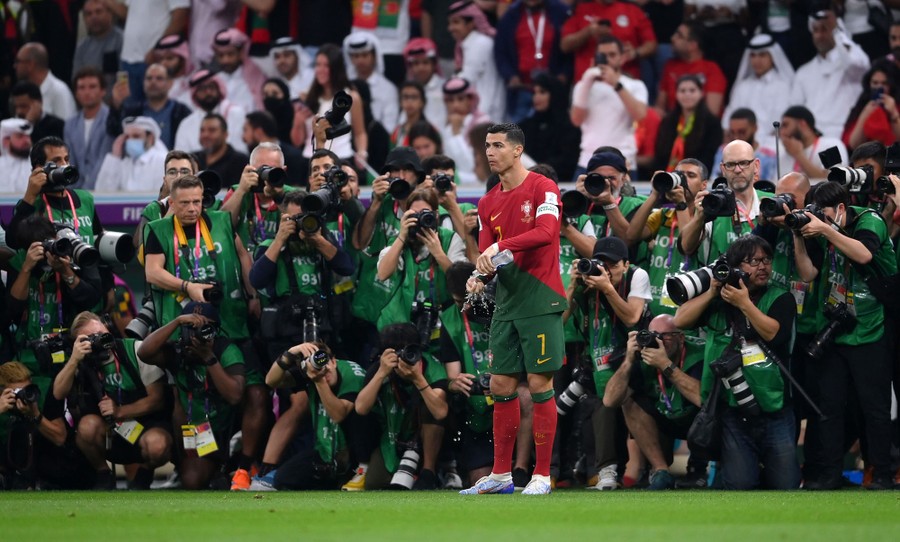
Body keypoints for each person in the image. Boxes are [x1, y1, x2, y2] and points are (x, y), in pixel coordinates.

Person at [460, 123, 564, 496]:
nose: (490, 152)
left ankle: (541, 475)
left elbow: (547, 233)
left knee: (539, 384)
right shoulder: (486, 202)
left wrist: (495, 252)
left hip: (540, 297)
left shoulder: (543, 187)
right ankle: (501, 474)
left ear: (518, 150)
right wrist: (479, 277)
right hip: (507, 301)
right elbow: (489, 257)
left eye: (498, 145)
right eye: (487, 145)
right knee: (501, 384)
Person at [791, 181, 898, 490]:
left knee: (874, 408)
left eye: (823, 214)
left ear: (840, 209)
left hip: (871, 326)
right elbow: (808, 274)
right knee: (830, 406)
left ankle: (881, 475)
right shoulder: (823, 228)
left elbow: (863, 255)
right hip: (836, 329)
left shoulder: (869, 220)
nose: (818, 220)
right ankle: (827, 474)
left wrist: (826, 230)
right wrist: (798, 237)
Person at [674, 234, 800, 490]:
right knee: (740, 486)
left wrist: (744, 304)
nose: (763, 267)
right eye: (754, 261)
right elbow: (680, 320)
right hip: (732, 410)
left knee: (786, 487)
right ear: (736, 267)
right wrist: (711, 292)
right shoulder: (720, 300)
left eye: (767, 260)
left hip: (774, 408)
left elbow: (774, 333)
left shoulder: (780, 297)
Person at [564, 236, 651, 490]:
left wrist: (607, 289)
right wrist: (571, 286)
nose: (605, 270)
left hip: (638, 354)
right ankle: (606, 470)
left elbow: (633, 318)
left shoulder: (637, 276)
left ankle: (646, 469)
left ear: (625, 264)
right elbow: (558, 323)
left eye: (612, 265)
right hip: (598, 356)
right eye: (600, 264)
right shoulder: (586, 281)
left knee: (624, 404)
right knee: (600, 406)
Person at [51, 312, 171, 490]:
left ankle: (144, 473)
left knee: (158, 445)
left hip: (146, 426)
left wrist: (120, 411)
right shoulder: (81, 361)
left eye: (102, 333)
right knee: (86, 427)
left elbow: (158, 399)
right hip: (109, 432)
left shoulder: (136, 350)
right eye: (91, 338)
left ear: (109, 328)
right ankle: (103, 473)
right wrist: (74, 359)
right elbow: (58, 393)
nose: (100, 340)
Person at [137, 302, 245, 490]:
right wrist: (177, 322)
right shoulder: (179, 350)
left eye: (205, 327)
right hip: (192, 432)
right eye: (191, 327)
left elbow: (234, 395)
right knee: (191, 481)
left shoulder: (225, 350)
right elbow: (144, 352)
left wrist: (209, 358)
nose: (197, 333)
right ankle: (200, 470)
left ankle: (226, 467)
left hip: (222, 430)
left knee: (195, 480)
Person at [603, 314, 703, 490]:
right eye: (653, 334)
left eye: (665, 335)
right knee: (629, 402)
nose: (659, 341)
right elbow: (610, 400)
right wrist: (628, 360)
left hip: (700, 423)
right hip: (666, 421)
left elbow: (703, 399)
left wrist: (665, 365)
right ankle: (660, 471)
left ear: (681, 338)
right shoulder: (643, 355)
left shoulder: (698, 354)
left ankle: (711, 468)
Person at [261, 341, 375, 491]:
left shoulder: (352, 374)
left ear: (334, 361)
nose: (324, 372)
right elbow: (271, 381)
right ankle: (333, 481)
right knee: (284, 479)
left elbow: (338, 414)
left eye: (327, 366)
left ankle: (360, 470)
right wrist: (290, 354)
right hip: (327, 450)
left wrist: (319, 380)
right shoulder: (310, 373)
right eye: (318, 368)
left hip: (359, 447)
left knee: (359, 413)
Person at [355, 323, 449, 490]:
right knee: (374, 483)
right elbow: (361, 408)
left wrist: (418, 379)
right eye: (396, 351)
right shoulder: (380, 368)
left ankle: (429, 471)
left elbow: (440, 412)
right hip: (393, 437)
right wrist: (381, 373)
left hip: (427, 437)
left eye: (409, 350)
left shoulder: (431, 367)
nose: (403, 356)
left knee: (433, 403)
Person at [624, 158, 709, 317]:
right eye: (679, 175)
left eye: (690, 175)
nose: (683, 180)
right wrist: (655, 194)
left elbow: (687, 246)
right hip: (656, 308)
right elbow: (632, 235)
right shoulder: (663, 216)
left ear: (703, 184)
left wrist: (681, 204)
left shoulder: (705, 219)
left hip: (688, 309)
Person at [0, 361, 94, 489]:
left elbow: (60, 438)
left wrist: (35, 415)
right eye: (16, 392)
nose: (23, 396)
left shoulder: (43, 391)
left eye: (26, 389)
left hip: (47, 463)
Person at [679, 140, 773, 265]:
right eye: (731, 165)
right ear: (723, 169)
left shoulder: (770, 202)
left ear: (756, 166)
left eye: (744, 163)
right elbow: (686, 248)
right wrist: (698, 218)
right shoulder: (711, 204)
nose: (738, 170)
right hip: (719, 281)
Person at [571, 35, 648, 174]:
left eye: (612, 55)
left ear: (622, 57)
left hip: (624, 161)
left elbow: (640, 115)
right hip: (588, 160)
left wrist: (616, 85)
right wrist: (587, 83)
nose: (607, 59)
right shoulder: (584, 85)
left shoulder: (635, 85)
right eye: (603, 55)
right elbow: (576, 120)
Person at [790, 9, 870, 140]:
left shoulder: (849, 63)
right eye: (816, 30)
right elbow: (795, 109)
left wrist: (838, 32)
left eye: (825, 30)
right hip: (810, 137)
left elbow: (858, 64)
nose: (819, 35)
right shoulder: (804, 71)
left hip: (842, 134)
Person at [493, 0, 572, 122]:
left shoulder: (560, 12)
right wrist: (510, 75)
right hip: (522, 90)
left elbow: (570, 50)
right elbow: (501, 52)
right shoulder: (511, 15)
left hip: (553, 92)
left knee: (553, 134)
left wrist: (564, 74)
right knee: (519, 137)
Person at [300, 44, 368, 167]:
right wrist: (297, 120)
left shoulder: (350, 97)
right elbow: (297, 139)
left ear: (336, 68)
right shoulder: (306, 97)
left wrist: (362, 152)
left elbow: (360, 132)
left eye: (326, 65)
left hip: (341, 159)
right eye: (318, 64)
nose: (320, 69)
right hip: (311, 160)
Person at [722, 33, 795, 147]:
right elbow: (729, 119)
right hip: (740, 142)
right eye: (753, 56)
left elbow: (779, 122)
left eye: (762, 55)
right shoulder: (742, 86)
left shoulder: (783, 86)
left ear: (772, 56)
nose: (757, 60)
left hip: (771, 143)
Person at [111, 0, 190, 103]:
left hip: (152, 60)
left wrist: (158, 49)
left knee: (154, 110)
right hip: (126, 60)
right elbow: (127, 12)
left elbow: (181, 14)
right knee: (126, 110)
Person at [559, 0, 657, 81]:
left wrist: (636, 52)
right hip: (588, 82)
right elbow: (565, 46)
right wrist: (587, 32)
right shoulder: (581, 8)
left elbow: (651, 44)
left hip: (625, 83)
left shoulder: (633, 9)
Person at [106, 63, 192, 150]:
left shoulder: (181, 112)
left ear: (170, 83)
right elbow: (113, 132)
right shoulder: (133, 111)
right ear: (143, 83)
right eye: (149, 78)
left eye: (159, 78)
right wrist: (116, 104)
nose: (153, 82)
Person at [447, 1, 506, 123]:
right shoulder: (470, 43)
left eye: (456, 22)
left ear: (472, 23)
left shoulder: (479, 43)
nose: (451, 28)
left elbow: (467, 80)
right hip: (481, 109)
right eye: (450, 23)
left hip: (486, 110)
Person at [655, 22, 726, 117]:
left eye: (679, 36)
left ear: (692, 45)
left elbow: (712, 113)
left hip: (702, 127)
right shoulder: (670, 65)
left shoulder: (712, 69)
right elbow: (659, 107)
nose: (672, 38)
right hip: (673, 125)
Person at [519, 73, 580, 183]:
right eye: (534, 93)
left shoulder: (569, 127)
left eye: (542, 92)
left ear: (554, 94)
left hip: (561, 183)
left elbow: (568, 160)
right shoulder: (526, 126)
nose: (536, 97)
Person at [654, 75, 723, 173]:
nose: (687, 94)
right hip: (668, 177)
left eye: (692, 90)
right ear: (676, 94)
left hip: (697, 176)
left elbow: (709, 155)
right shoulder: (667, 122)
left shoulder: (712, 123)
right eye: (682, 91)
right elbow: (660, 153)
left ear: (701, 93)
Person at [174, 69, 248, 155]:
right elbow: (181, 158)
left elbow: (241, 148)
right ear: (195, 94)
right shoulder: (186, 124)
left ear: (219, 89)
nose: (208, 92)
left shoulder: (235, 113)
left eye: (211, 87)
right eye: (202, 89)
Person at [64, 67, 116, 189]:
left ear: (103, 91)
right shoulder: (70, 124)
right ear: (76, 93)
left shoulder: (112, 119)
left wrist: (87, 190)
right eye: (82, 88)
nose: (87, 92)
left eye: (92, 87)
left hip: (104, 188)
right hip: (76, 191)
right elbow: (69, 162)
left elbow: (104, 157)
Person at [343, 31, 400, 134]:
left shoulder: (388, 88)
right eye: (356, 56)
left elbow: (390, 126)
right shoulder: (344, 85)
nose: (360, 60)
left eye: (364, 55)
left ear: (374, 56)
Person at [95, 116, 169, 192]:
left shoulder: (162, 161)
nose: (130, 140)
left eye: (136, 136)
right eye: (127, 137)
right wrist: (115, 156)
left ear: (150, 138)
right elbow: (103, 191)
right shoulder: (125, 163)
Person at [441, 77, 492, 185]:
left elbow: (470, 166)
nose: (455, 105)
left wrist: (456, 133)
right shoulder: (447, 126)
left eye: (460, 99)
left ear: (470, 100)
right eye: (450, 100)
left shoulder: (482, 123)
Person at [777, 105, 848, 182]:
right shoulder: (784, 155)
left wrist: (798, 155)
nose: (782, 133)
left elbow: (833, 180)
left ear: (802, 124)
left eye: (785, 125)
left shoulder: (831, 145)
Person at [843, 60, 900, 150]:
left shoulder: (896, 106)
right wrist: (865, 114)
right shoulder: (861, 106)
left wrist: (893, 113)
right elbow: (854, 144)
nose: (879, 87)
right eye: (875, 83)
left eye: (884, 83)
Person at [13, 42, 76, 121]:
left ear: (30, 64)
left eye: (18, 61)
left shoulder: (59, 91)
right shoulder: (23, 91)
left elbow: (66, 129)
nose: (15, 66)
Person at [71, 0, 124, 94]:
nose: (94, 17)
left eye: (98, 12)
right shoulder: (81, 47)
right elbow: (76, 80)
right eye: (89, 14)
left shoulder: (121, 40)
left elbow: (124, 78)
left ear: (110, 14)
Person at [713, 108, 778, 183]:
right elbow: (714, 180)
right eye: (732, 132)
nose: (736, 137)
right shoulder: (723, 150)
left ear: (754, 128)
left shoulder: (768, 156)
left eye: (742, 132)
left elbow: (770, 186)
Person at [211, 28, 266, 113]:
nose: (226, 60)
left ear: (241, 53)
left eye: (230, 54)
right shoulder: (214, 81)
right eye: (221, 55)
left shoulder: (255, 78)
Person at [402, 38, 447, 129]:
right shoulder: (408, 91)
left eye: (425, 63)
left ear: (434, 65)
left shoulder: (445, 89)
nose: (421, 68)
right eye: (416, 64)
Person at [195, 113, 249, 187]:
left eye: (212, 130)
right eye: (202, 130)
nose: (205, 135)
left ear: (225, 134)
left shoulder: (241, 162)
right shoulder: (193, 159)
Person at [0, 119, 34, 195]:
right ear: (6, 141)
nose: (27, 141)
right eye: (20, 136)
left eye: (28, 136)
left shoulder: (37, 164)